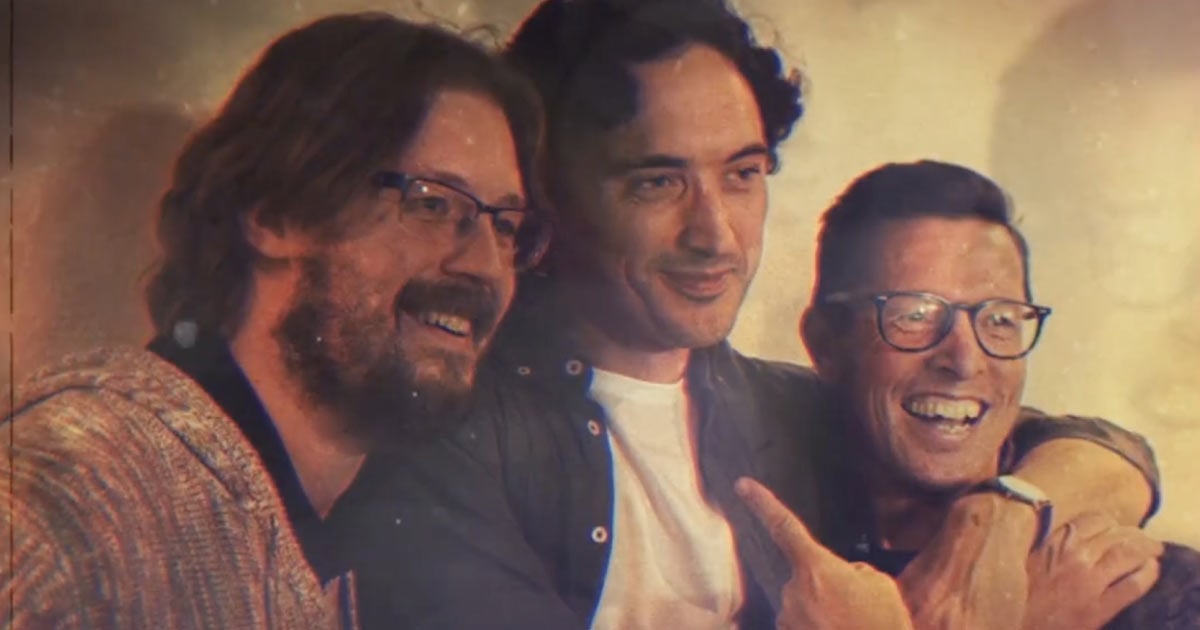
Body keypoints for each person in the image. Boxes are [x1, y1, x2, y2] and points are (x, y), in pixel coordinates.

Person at [348, 1, 1161, 628]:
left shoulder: (793, 412)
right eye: (657, 183)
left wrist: (1000, 513)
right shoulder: (439, 429)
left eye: (742, 174)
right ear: (547, 193)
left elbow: (1097, 446)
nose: (716, 235)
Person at [1, 12, 547, 628]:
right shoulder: (67, 503)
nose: (486, 265)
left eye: (507, 226)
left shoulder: (372, 534)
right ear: (275, 213)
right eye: (432, 204)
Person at [794, 159, 1200, 629]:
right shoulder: (771, 559)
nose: (965, 361)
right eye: (915, 315)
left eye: (1000, 320)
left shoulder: (1133, 586)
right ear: (825, 343)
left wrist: (1002, 516)